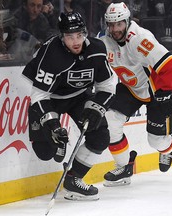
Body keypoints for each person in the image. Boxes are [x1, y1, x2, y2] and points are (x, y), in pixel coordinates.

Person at [22, 11, 115, 200]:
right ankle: (58, 141)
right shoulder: (51, 54)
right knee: (45, 152)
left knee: (100, 136)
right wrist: (52, 123)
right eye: (70, 36)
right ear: (61, 37)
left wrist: (97, 108)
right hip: (50, 98)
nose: (76, 41)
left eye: (79, 35)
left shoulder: (97, 49)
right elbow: (39, 95)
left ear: (85, 33)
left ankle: (73, 179)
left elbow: (109, 83)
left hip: (79, 96)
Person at [98, 2, 172, 187]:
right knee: (110, 119)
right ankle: (124, 167)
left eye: (119, 24)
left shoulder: (140, 39)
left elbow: (171, 66)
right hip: (131, 89)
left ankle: (166, 148)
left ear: (127, 21)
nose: (115, 29)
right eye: (111, 24)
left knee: (155, 141)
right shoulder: (104, 40)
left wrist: (169, 93)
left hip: (155, 91)